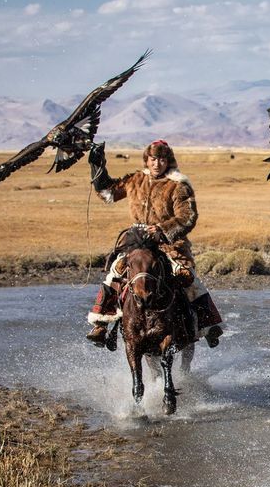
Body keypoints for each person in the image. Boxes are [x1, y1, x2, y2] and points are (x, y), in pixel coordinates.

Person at [84, 139, 223, 349]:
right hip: (136, 242)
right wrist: (97, 165)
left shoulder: (178, 185)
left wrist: (162, 229)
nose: (157, 164)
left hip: (168, 244)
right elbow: (108, 192)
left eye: (162, 159)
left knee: (188, 277)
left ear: (169, 161)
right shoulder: (135, 180)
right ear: (147, 160)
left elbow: (188, 217)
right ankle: (101, 325)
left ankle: (209, 325)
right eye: (153, 159)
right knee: (115, 273)